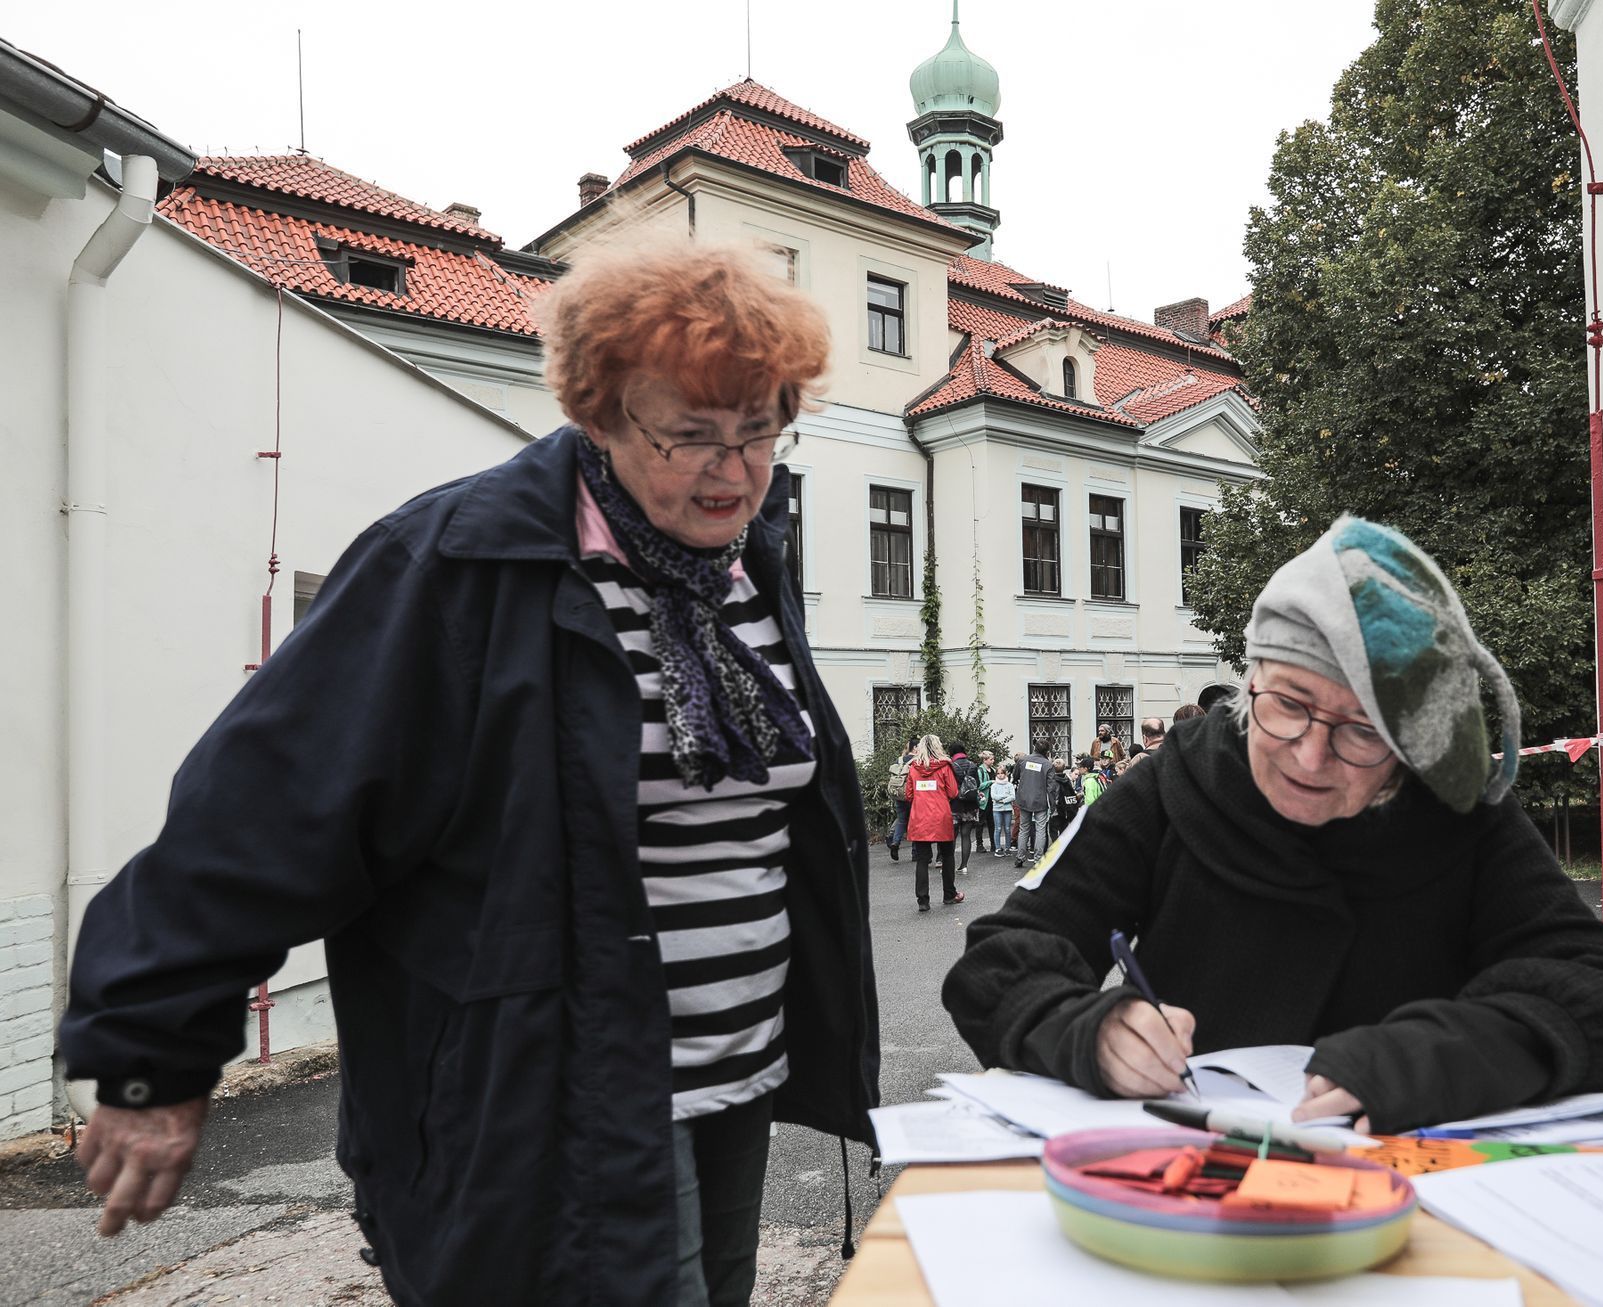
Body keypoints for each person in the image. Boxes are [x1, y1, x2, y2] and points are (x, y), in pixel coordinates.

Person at [58, 238, 880, 1307]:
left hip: (732, 1079)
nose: (733, 472)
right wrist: (151, 1056)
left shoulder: (741, 572)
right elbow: (263, 812)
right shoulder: (455, 563)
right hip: (546, 1104)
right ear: (598, 411)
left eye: (761, 432)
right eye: (692, 438)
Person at [943, 515, 1603, 1133]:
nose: (1310, 754)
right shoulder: (1173, 784)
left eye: (1361, 731)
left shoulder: (1461, 810)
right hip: (1197, 1172)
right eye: (1286, 703)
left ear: (1410, 741)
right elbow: (1000, 959)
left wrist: (1434, 1056)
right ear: (1250, 676)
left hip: (1416, 1187)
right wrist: (1088, 1032)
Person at [907, 734, 963, 911]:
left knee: (922, 859)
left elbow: (908, 795)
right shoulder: (945, 767)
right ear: (938, 747)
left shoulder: (914, 768)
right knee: (947, 855)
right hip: (941, 815)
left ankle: (923, 900)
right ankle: (949, 894)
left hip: (920, 816)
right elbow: (953, 792)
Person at [1012, 743, 1061, 868]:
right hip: (1040, 800)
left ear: (1034, 748)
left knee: (1024, 828)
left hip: (1023, 799)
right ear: (1047, 751)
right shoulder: (1047, 764)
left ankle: (1020, 857)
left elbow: (1015, 776)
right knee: (1040, 829)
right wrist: (1053, 806)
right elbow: (1051, 788)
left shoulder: (1023, 760)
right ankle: (1038, 858)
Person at [948, 741, 983, 871]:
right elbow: (977, 784)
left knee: (952, 836)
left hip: (955, 804)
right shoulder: (973, 765)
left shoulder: (951, 766)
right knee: (966, 835)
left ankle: (949, 865)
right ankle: (964, 866)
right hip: (970, 804)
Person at [886, 735, 921, 860]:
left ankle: (895, 842)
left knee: (901, 820)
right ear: (916, 747)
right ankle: (915, 852)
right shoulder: (918, 761)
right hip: (913, 795)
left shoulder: (899, 760)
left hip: (898, 793)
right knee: (915, 822)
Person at [988, 767, 1015, 857]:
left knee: (1007, 829)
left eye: (1002, 773)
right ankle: (998, 848)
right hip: (997, 809)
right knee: (998, 828)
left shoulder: (1009, 785)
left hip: (1007, 809)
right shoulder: (994, 785)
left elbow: (1013, 796)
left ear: (1005, 774)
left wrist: (1003, 800)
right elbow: (993, 796)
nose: (1000, 775)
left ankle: (1007, 848)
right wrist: (1005, 796)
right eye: (998, 773)